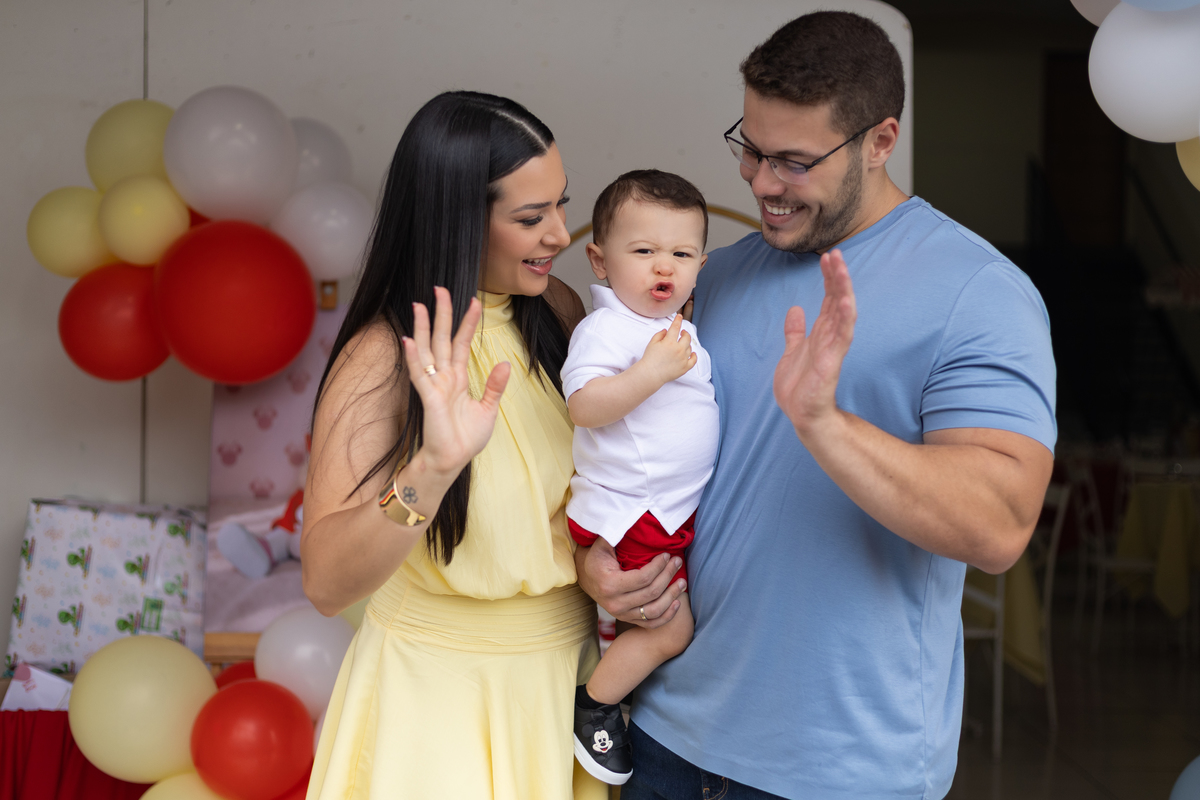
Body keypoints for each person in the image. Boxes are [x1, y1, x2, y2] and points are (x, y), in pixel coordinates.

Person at [575, 12, 1057, 800]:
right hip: (663, 738)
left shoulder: (979, 293)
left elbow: (999, 527)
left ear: (879, 140)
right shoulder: (715, 277)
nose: (761, 182)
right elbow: (628, 452)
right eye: (752, 148)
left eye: (794, 161)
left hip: (839, 769)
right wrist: (595, 561)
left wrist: (825, 424)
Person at [300, 91, 608, 800]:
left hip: (568, 681)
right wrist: (434, 468)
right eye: (531, 218)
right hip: (437, 701)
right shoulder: (380, 360)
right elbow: (325, 584)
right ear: (460, 217)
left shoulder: (558, 312)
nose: (560, 233)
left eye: (562, 204)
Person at [562, 170, 718, 785]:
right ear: (600, 260)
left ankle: (615, 689)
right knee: (671, 627)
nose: (665, 267)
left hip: (665, 511)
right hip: (631, 510)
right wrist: (651, 373)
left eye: (681, 254)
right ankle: (595, 706)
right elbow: (585, 406)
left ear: (700, 266)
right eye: (644, 250)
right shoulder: (608, 329)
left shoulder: (675, 331)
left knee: (649, 621)